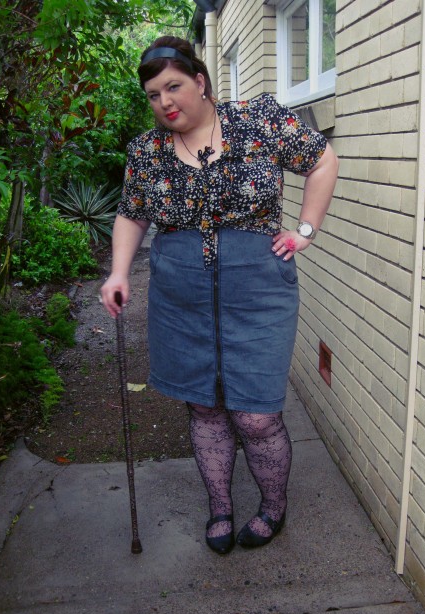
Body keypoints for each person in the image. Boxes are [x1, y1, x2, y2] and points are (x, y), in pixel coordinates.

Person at [101, 36, 338, 555]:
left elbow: (322, 160)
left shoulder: (258, 121)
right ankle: (220, 509)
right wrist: (118, 272)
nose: (165, 102)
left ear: (200, 81)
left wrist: (304, 230)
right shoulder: (147, 150)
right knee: (205, 408)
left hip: (258, 290)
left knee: (256, 414)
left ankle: (273, 508)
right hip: (180, 294)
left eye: (174, 87)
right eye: (153, 95)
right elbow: (132, 213)